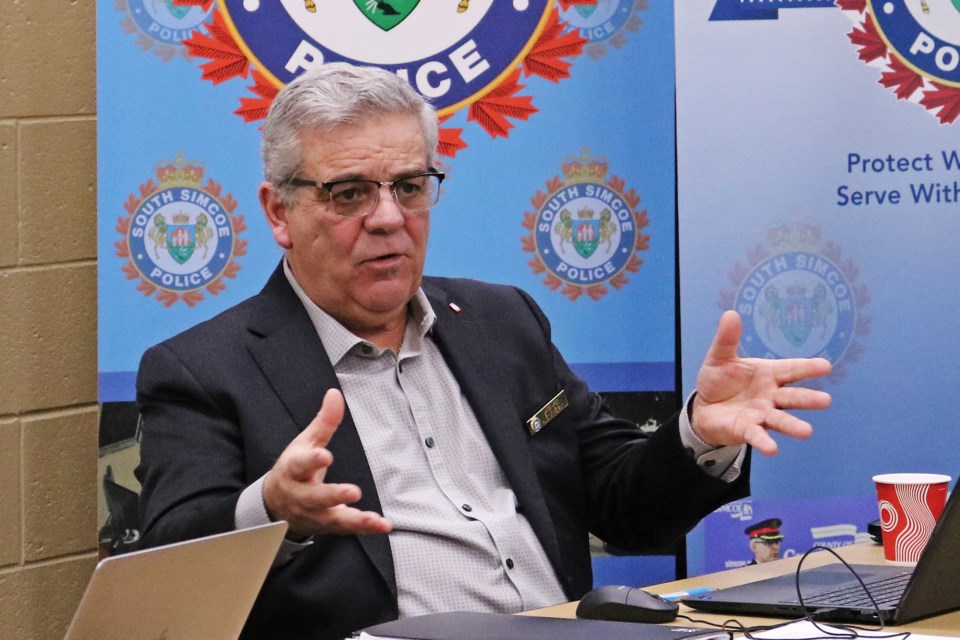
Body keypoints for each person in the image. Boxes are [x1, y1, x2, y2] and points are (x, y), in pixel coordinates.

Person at [135, 62, 832, 640]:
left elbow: (622, 506)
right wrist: (270, 511)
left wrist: (697, 436)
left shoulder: (499, 319)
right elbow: (170, 569)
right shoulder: (205, 369)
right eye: (349, 194)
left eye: (409, 187)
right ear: (278, 212)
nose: (388, 218)